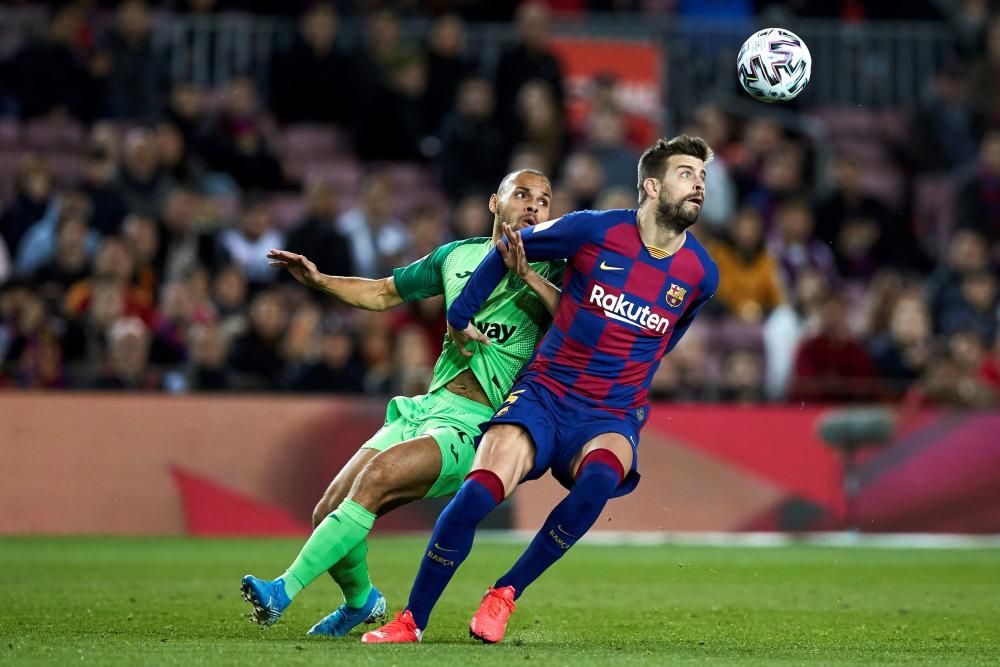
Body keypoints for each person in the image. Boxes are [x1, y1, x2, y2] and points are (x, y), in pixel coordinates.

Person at [363, 135, 718, 644]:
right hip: (547, 393)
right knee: (477, 494)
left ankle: (505, 592)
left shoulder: (701, 274)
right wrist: (460, 317)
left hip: (611, 413)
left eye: (702, 177)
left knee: (599, 483)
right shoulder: (593, 230)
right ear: (652, 185)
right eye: (687, 174)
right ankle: (411, 620)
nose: (699, 184)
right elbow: (510, 248)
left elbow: (663, 341)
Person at [239, 170, 563, 638]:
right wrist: (318, 280)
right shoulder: (456, 257)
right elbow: (384, 291)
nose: (534, 206)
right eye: (522, 194)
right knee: (326, 510)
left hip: (480, 426)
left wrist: (528, 275)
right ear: (495, 203)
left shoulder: (556, 267)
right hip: (427, 408)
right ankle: (360, 601)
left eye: (544, 200)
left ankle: (281, 592)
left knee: (375, 479)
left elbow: (575, 319)